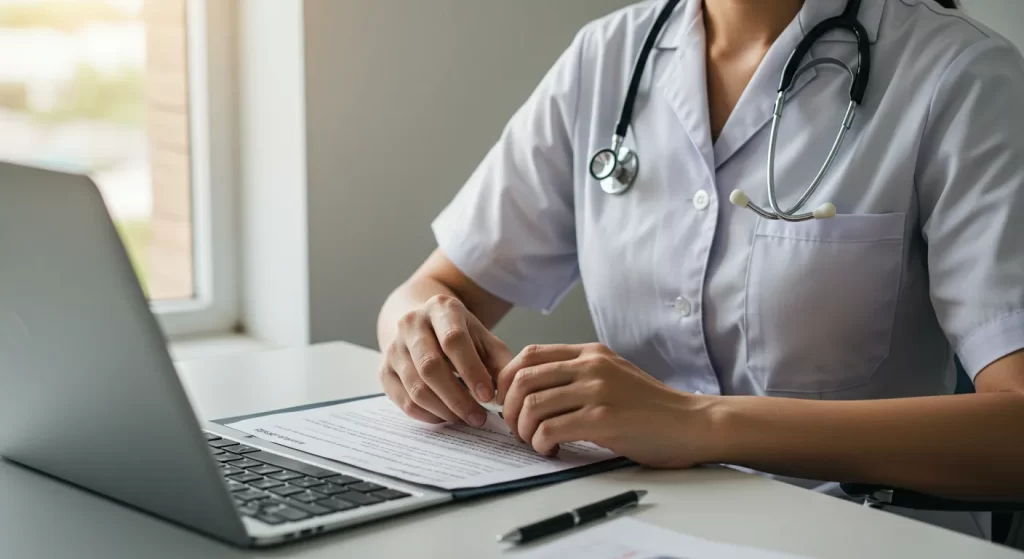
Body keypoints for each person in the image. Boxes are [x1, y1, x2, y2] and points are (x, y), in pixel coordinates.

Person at [376, 0, 1024, 539]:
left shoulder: (962, 79)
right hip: (628, 527)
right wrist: (417, 332)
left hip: (860, 535)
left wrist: (698, 422)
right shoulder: (607, 58)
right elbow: (435, 288)